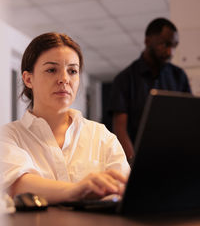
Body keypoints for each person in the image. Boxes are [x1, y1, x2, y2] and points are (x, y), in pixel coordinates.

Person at [0, 32, 130, 204]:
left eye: (72, 71)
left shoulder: (101, 136)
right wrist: (78, 190)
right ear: (28, 79)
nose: (64, 79)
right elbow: (18, 184)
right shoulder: (9, 136)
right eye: (52, 70)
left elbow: (123, 189)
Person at [108, 18, 191, 163]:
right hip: (140, 162)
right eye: (164, 44)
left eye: (174, 46)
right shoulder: (124, 79)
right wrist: (133, 165)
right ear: (147, 41)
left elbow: (188, 120)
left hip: (176, 159)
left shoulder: (179, 76)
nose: (170, 52)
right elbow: (120, 129)